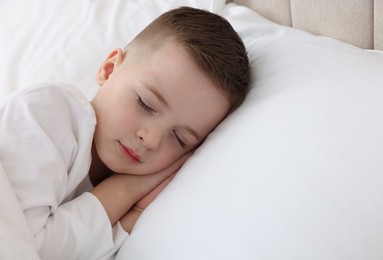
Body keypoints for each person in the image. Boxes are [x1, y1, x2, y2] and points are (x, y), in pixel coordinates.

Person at [0, 6, 250, 260]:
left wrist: (132, 216)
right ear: (108, 69)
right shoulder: (46, 111)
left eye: (179, 138)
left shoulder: (135, 216)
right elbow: (23, 247)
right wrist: (127, 189)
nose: (150, 139)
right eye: (146, 103)